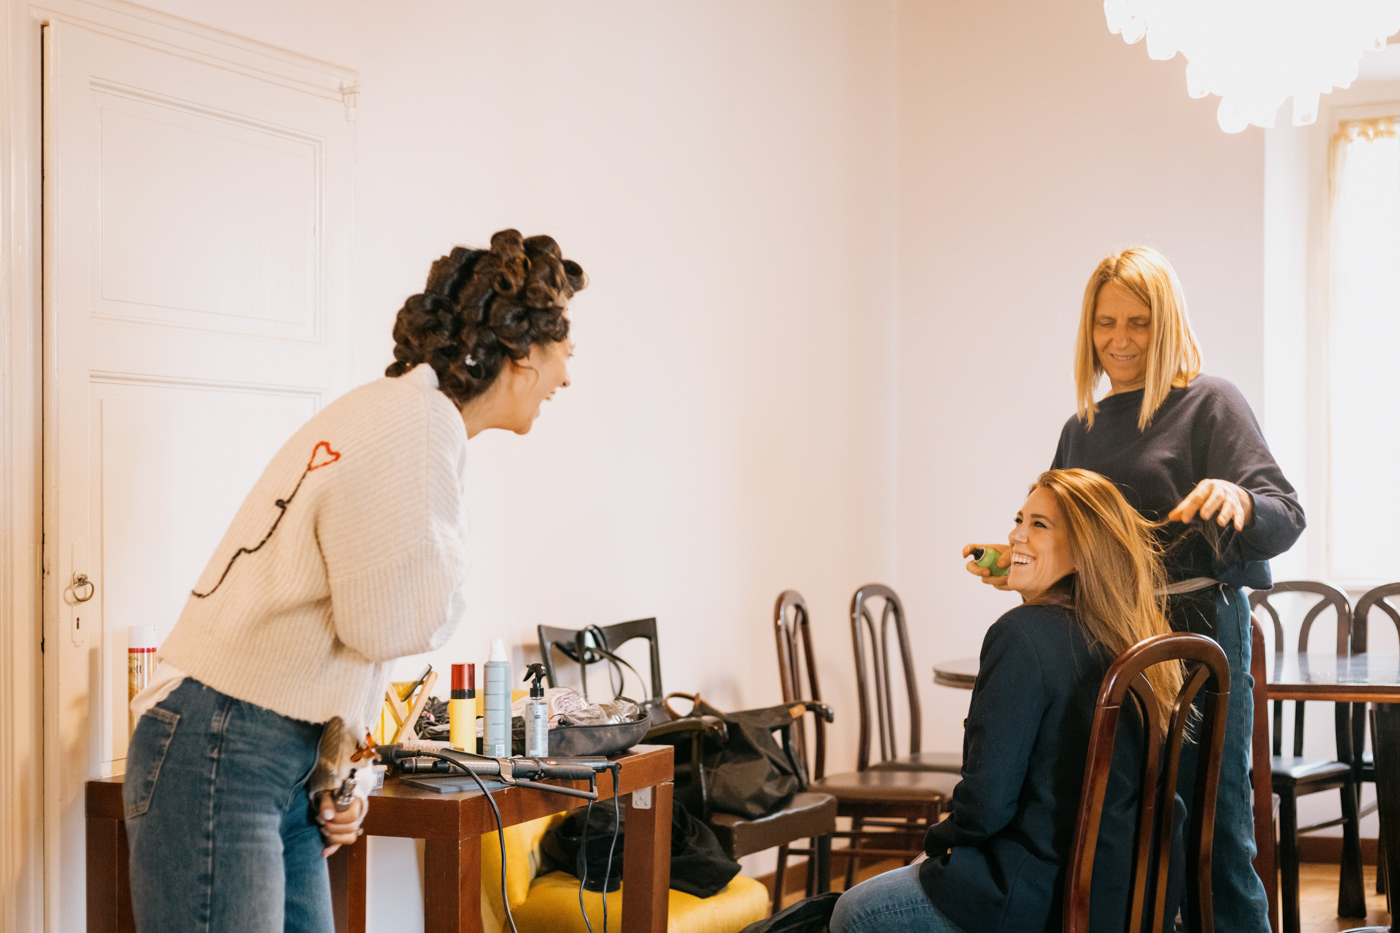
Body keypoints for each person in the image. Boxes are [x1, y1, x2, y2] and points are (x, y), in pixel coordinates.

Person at [122, 229, 586, 933]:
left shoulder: (407, 412)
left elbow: (348, 624)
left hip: (264, 752)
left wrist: (338, 771)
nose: (567, 376)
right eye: (566, 349)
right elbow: (394, 622)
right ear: (522, 349)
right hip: (224, 744)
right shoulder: (418, 421)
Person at [966, 246, 1302, 932]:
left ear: (1167, 323)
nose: (1119, 339)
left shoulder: (1211, 403)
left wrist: (1241, 499)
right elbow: (1063, 535)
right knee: (1122, 826)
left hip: (1195, 636)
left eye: (1139, 322)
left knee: (1213, 830)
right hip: (1104, 643)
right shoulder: (1081, 429)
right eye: (1106, 322)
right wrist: (1016, 560)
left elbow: (1285, 514)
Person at [833, 468, 1182, 933]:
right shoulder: (1129, 633)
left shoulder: (1021, 636)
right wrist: (1028, 573)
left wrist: (936, 841)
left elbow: (985, 807)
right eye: (1019, 519)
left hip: (1039, 895)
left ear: (1084, 550)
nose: (1015, 534)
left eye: (1039, 524)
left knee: (853, 911)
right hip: (1127, 893)